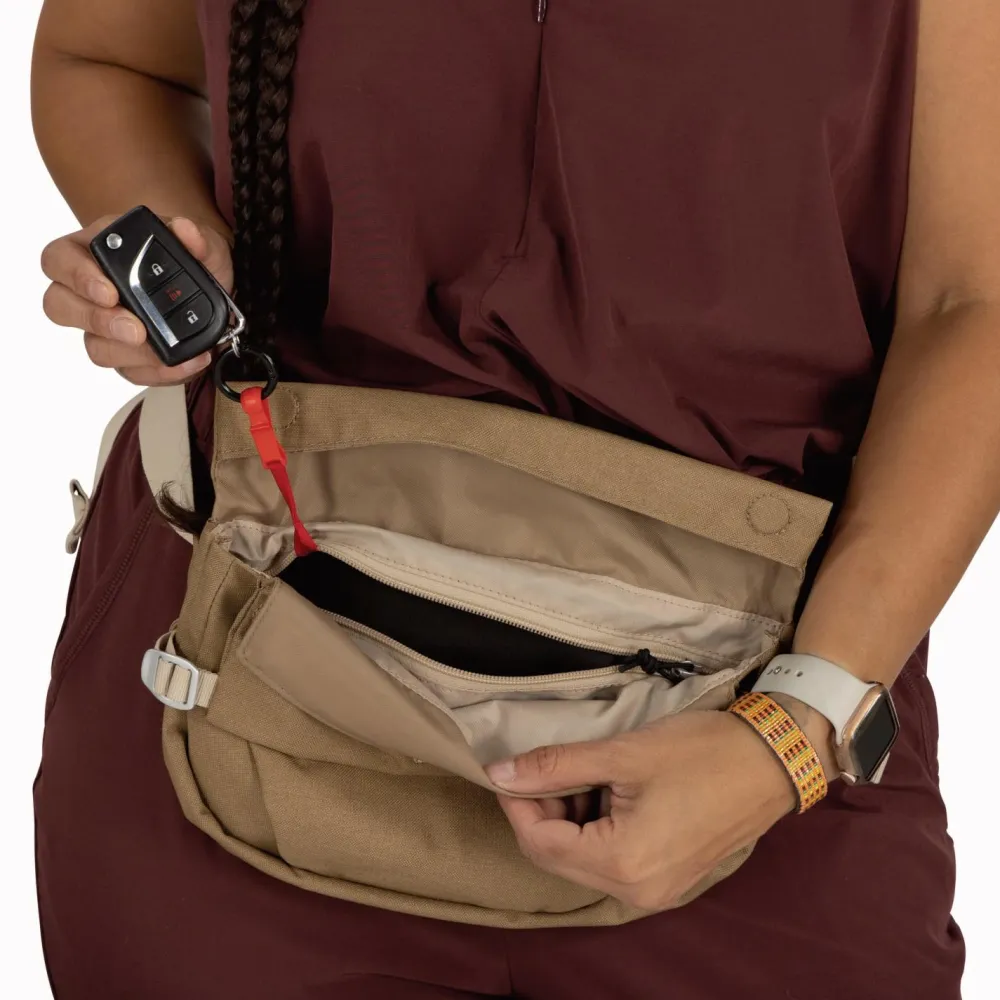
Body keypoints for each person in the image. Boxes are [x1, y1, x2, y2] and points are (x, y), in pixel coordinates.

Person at [31, 1, 996, 997]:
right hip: (228, 687)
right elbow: (104, 59)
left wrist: (792, 734)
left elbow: (972, 302)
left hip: (758, 731)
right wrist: (178, 266)